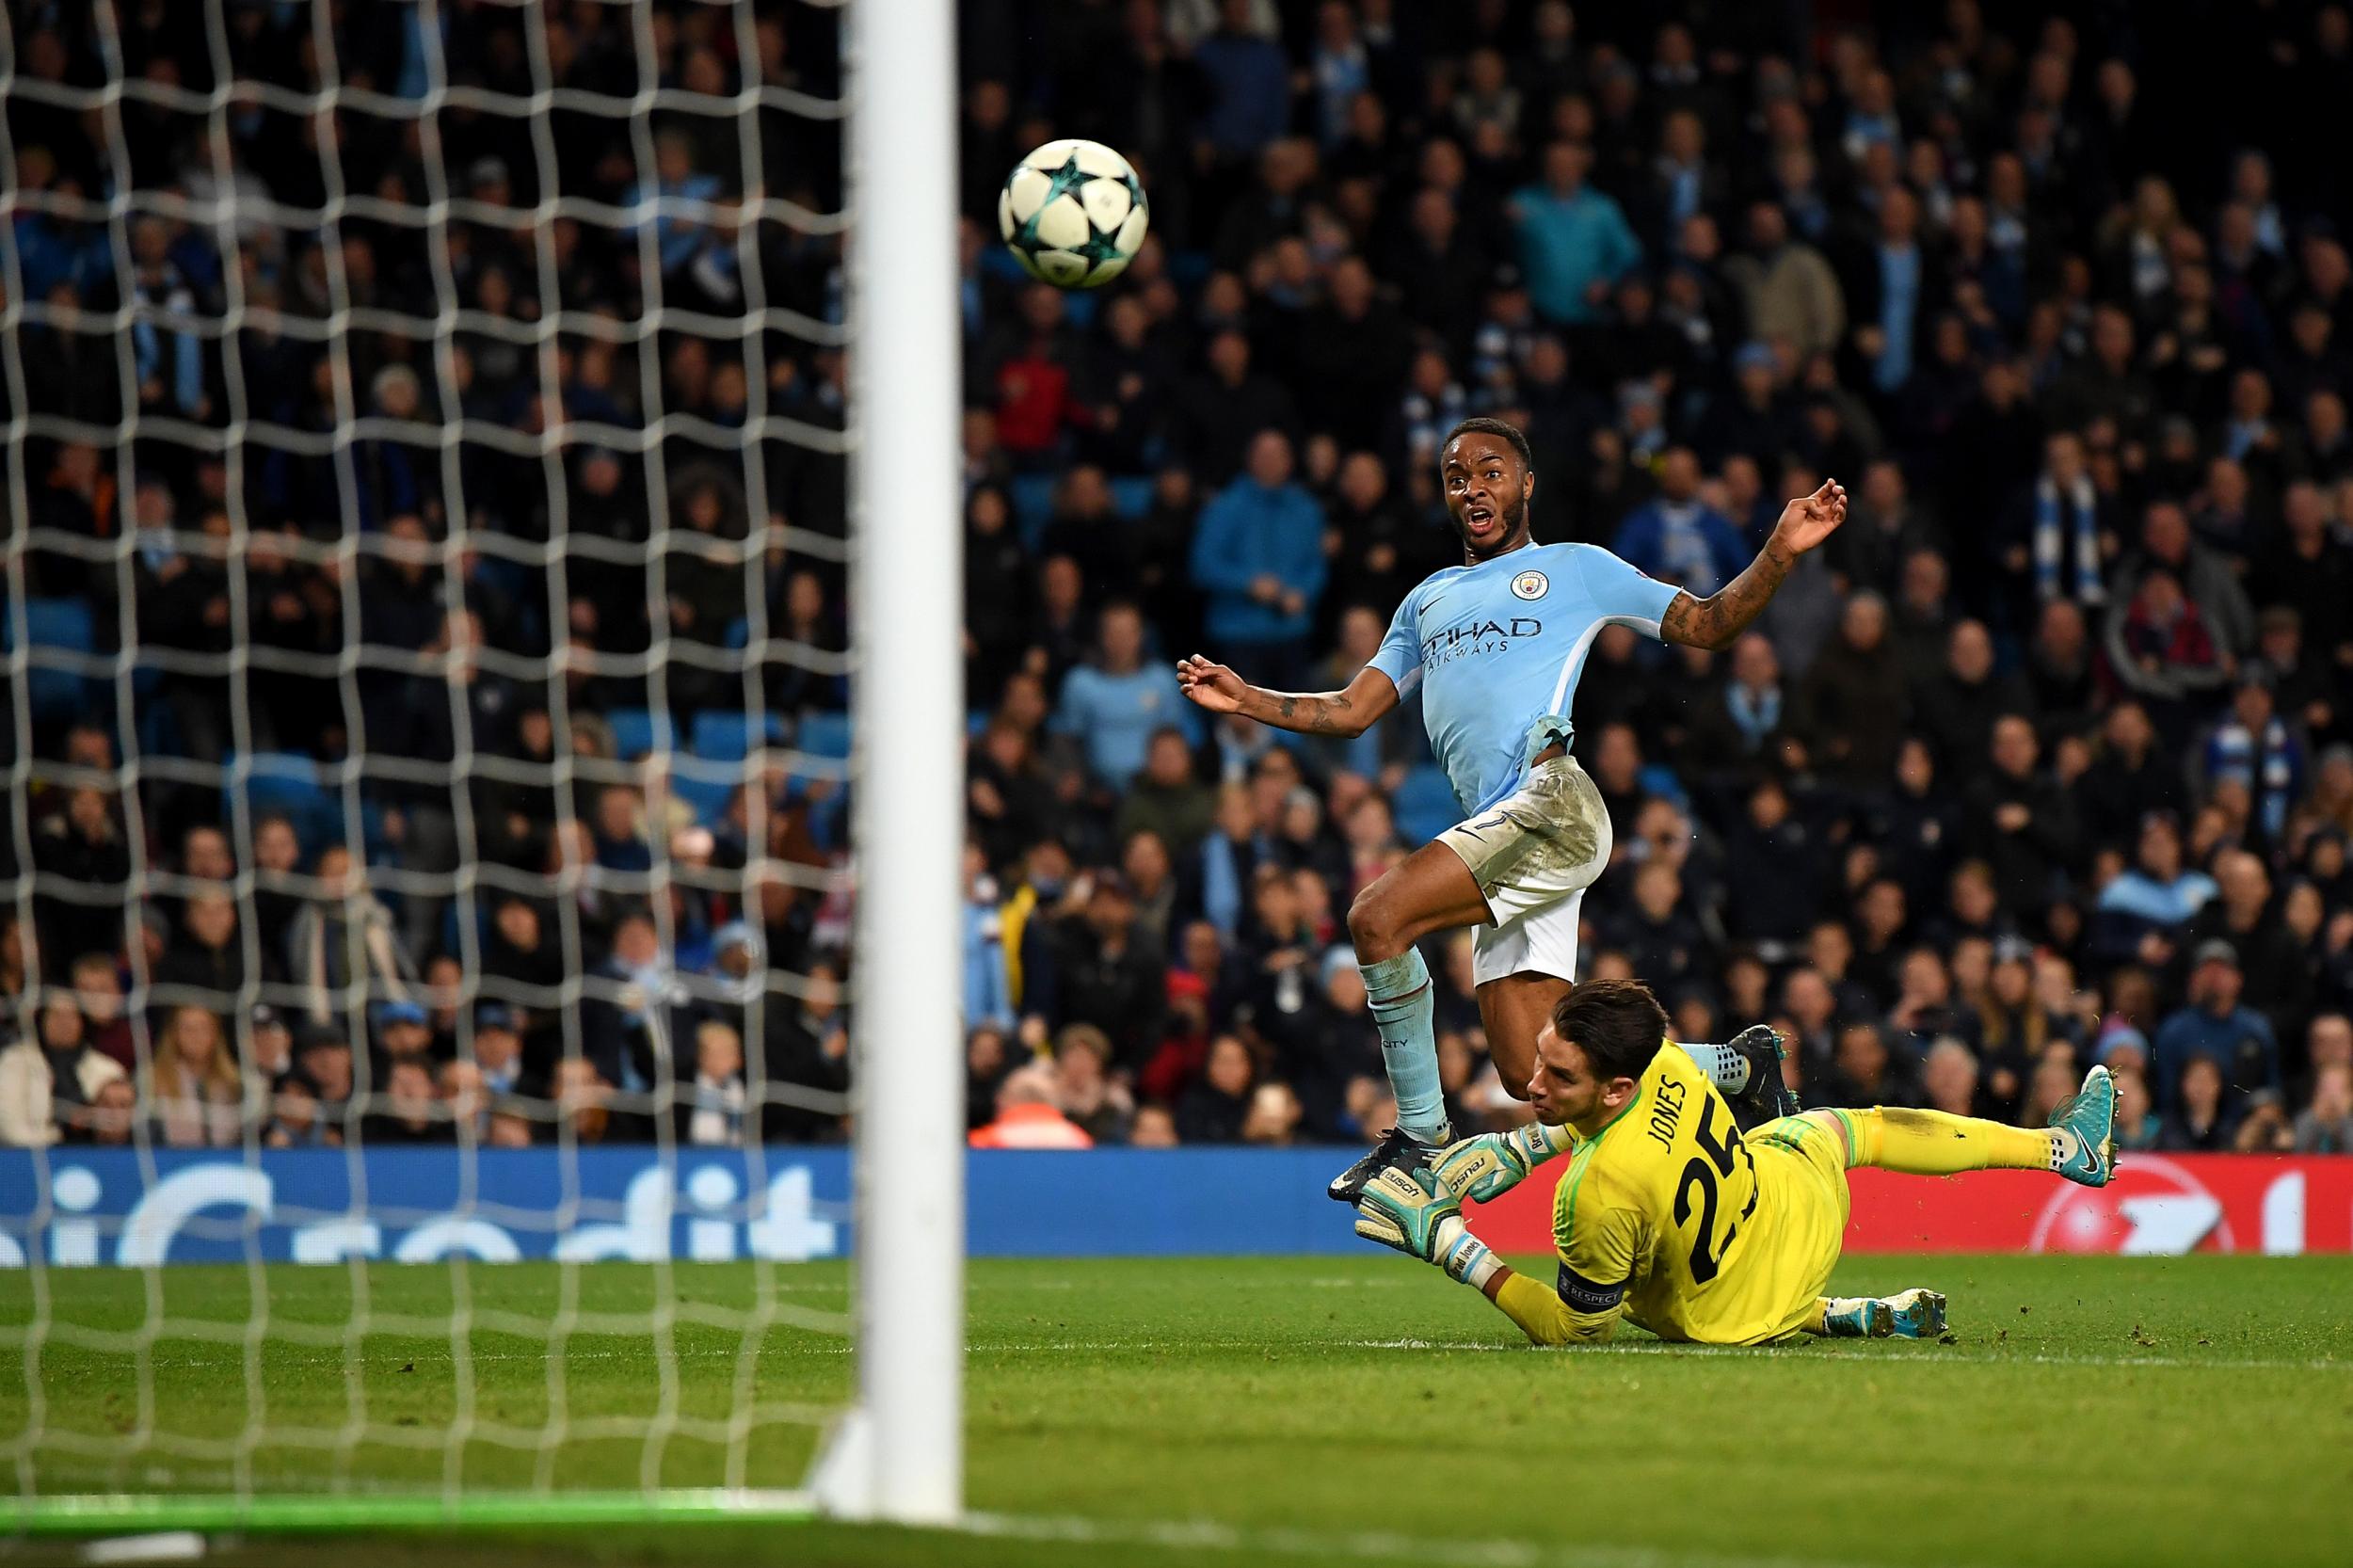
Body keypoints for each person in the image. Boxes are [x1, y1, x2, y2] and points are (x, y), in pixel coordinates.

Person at [1176, 416, 1838, 1197]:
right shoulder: (1427, 600)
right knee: (1538, 1075)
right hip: (1499, 829)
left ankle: (1419, 1140)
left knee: (1377, 918)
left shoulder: (1577, 569)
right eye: (1456, 477)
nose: (1472, 487)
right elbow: (1353, 709)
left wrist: (1778, 552)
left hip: (1550, 803)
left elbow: (1706, 623)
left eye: (1490, 471)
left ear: (1526, 485)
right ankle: (1738, 1065)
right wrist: (1249, 696)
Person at [1351, 979, 2118, 1346]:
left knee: (1647, 1270)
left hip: (1726, 1321)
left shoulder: (1591, 1199)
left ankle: (1815, 1315)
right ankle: (2064, 1149)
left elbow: (1577, 1335)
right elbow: (1725, 1072)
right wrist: (1749, 1064)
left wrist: (1449, 1244)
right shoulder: (1668, 1064)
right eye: (1543, 1063)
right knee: (1852, 1128)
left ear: (1617, 1085)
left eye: (1558, 1077)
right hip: (1799, 1214)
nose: (1532, 1083)